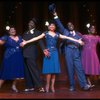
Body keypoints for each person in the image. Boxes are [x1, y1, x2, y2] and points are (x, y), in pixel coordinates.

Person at [20, 21, 84, 93]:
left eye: (53, 25)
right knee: (48, 71)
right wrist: (26, 42)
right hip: (48, 53)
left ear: (55, 27)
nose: (52, 26)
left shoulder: (57, 34)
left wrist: (77, 41)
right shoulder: (46, 33)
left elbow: (67, 37)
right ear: (48, 27)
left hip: (55, 53)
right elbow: (36, 38)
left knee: (54, 71)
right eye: (50, 25)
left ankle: (52, 86)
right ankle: (47, 85)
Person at [49, 4, 91, 91]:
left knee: (79, 68)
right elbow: (59, 23)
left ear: (73, 26)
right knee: (70, 68)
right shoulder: (65, 31)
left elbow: (84, 42)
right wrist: (55, 15)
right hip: (68, 51)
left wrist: (81, 44)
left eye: (71, 24)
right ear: (67, 27)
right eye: (68, 25)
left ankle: (84, 85)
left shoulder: (78, 34)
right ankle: (72, 86)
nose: (70, 25)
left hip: (76, 52)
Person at [22, 18, 49, 92]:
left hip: (31, 53)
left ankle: (40, 86)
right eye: (29, 22)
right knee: (27, 71)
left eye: (32, 23)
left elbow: (40, 41)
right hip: (24, 53)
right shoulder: (25, 33)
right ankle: (30, 86)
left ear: (35, 25)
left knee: (34, 70)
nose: (30, 24)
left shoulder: (37, 32)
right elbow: (22, 42)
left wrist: (44, 49)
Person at [0, 26, 25, 92]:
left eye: (14, 29)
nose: (13, 30)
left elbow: (24, 42)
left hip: (18, 56)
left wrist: (23, 44)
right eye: (11, 30)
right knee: (5, 72)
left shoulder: (19, 37)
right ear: (9, 31)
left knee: (17, 72)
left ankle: (13, 86)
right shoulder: (6, 37)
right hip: (9, 57)